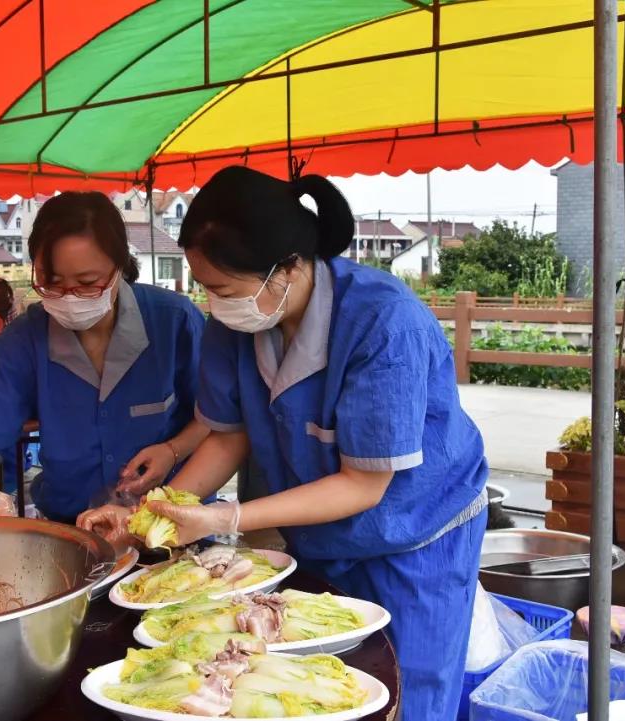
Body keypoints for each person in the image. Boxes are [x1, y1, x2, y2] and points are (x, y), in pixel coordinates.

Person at [81, 166, 489, 719]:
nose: (212, 301)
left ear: (290, 269)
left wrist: (225, 518)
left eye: (222, 288)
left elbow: (364, 484)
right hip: (324, 526)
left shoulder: (384, 322)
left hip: (416, 529)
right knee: (315, 678)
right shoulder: (236, 323)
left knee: (407, 688)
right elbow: (228, 438)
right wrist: (153, 513)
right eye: (206, 287)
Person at [0, 191, 209, 524]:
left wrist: (173, 450)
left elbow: (217, 421)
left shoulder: (174, 321)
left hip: (170, 523)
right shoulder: (23, 341)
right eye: (52, 283)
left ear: (120, 267)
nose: (69, 298)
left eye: (87, 283)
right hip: (73, 529)